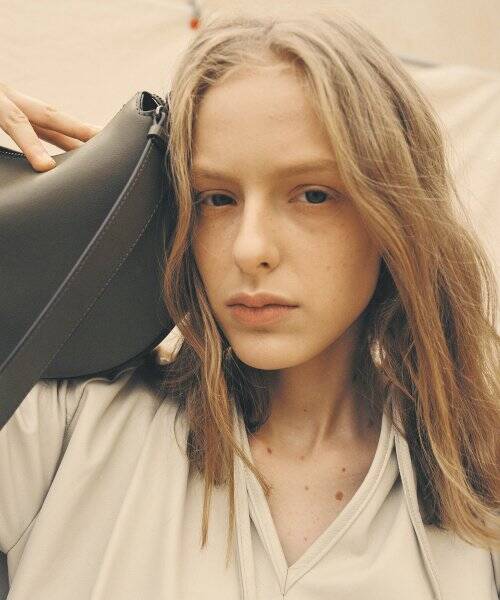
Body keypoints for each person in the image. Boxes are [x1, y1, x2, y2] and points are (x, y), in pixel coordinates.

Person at [0, 8, 499, 600]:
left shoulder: (481, 495)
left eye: (313, 195)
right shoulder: (60, 425)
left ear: (396, 215)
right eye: (216, 198)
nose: (251, 249)